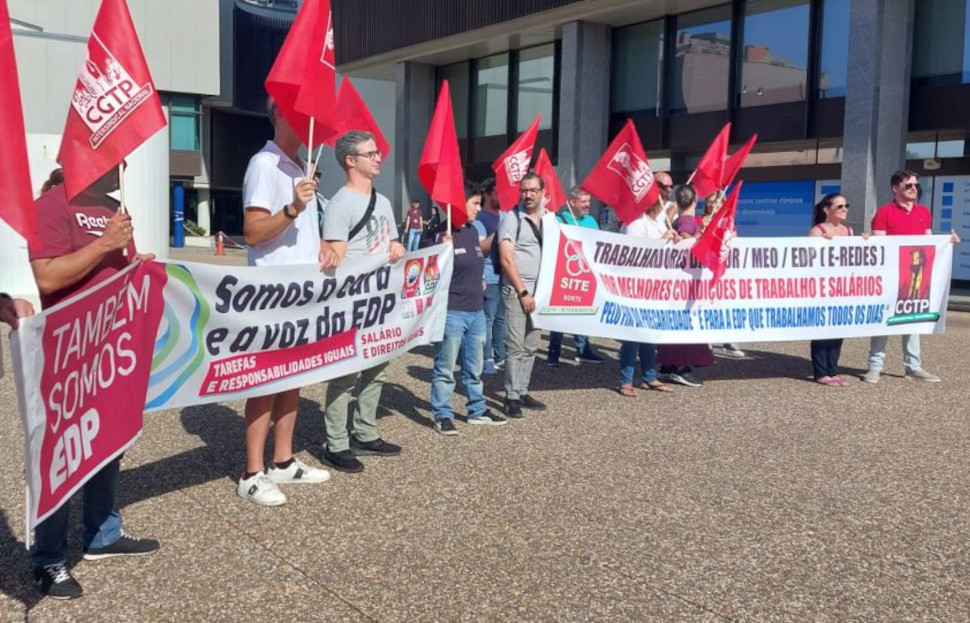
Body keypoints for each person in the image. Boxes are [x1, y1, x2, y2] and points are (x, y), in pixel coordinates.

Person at [27, 167, 159, 599]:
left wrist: (135, 267)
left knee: (109, 440)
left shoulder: (111, 208)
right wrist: (105, 243)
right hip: (68, 353)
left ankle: (103, 533)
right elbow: (47, 276)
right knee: (64, 451)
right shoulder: (50, 205)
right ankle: (48, 558)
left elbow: (113, 269)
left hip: (110, 347)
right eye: (113, 155)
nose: (122, 165)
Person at [237, 99, 332, 506]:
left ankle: (283, 460)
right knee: (267, 380)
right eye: (298, 112)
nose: (308, 119)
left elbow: (301, 233)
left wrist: (323, 244)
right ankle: (252, 472)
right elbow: (254, 232)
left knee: (294, 374)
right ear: (276, 114)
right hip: (273, 294)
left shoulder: (298, 167)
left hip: (300, 293)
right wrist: (293, 207)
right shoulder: (264, 164)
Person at [320, 130, 406, 471]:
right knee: (344, 373)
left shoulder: (382, 201)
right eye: (371, 153)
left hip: (381, 301)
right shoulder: (340, 204)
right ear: (350, 161)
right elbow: (334, 256)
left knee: (378, 368)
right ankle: (336, 443)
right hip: (351, 303)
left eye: (378, 152)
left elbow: (392, 243)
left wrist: (397, 250)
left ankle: (365, 432)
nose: (378, 157)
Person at [864, 170, 960, 383]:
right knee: (885, 319)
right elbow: (882, 246)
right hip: (891, 275)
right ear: (895, 188)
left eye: (916, 185)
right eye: (909, 185)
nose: (914, 188)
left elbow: (928, 241)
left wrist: (946, 241)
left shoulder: (924, 211)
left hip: (916, 274)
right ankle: (875, 366)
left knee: (913, 318)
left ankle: (913, 367)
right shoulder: (884, 212)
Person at [430, 183, 508, 435]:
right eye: (474, 203)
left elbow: (475, 263)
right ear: (457, 204)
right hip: (452, 310)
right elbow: (429, 272)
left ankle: (477, 409)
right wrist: (441, 249)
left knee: (474, 366)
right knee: (446, 366)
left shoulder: (473, 231)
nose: (478, 208)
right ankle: (442, 413)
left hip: (476, 310)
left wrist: (480, 280)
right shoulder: (441, 233)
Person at [615, 199, 678, 397]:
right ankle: (625, 380)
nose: (665, 198)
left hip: (654, 288)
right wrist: (662, 240)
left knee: (650, 334)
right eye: (662, 192)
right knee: (633, 335)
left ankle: (650, 376)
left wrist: (673, 239)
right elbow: (634, 254)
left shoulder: (658, 223)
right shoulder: (634, 224)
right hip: (635, 287)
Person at [498, 172, 548, 417]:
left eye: (532, 190)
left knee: (531, 345)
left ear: (542, 193)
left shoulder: (550, 219)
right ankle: (511, 396)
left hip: (541, 293)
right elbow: (506, 259)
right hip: (518, 291)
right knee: (515, 346)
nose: (527, 195)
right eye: (524, 190)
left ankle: (523, 389)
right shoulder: (511, 219)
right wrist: (523, 292)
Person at [657, 184, 714, 387]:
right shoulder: (687, 222)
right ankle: (679, 366)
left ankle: (668, 365)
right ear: (695, 200)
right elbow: (688, 245)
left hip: (679, 284)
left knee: (677, 325)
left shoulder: (676, 221)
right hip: (686, 285)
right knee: (685, 326)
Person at [808, 193, 863, 386]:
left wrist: (864, 242)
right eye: (839, 206)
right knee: (822, 329)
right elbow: (809, 259)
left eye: (846, 206)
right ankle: (821, 372)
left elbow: (855, 257)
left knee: (838, 328)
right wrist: (824, 242)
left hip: (843, 287)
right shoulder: (817, 230)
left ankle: (833, 369)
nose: (844, 209)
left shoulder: (848, 231)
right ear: (826, 209)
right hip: (823, 288)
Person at [547, 186, 604, 366]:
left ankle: (583, 350)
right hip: (565, 274)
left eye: (588, 201)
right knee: (560, 315)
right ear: (572, 202)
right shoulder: (559, 220)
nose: (587, 205)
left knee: (583, 313)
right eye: (583, 202)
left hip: (585, 275)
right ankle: (553, 354)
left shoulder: (591, 221)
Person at [477, 179, 507, 374]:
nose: (500, 197)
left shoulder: (506, 216)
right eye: (496, 193)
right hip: (490, 276)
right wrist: (501, 232)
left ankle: (501, 356)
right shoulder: (480, 219)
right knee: (488, 320)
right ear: (487, 196)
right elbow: (481, 247)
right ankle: (487, 358)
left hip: (506, 276)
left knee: (502, 320)